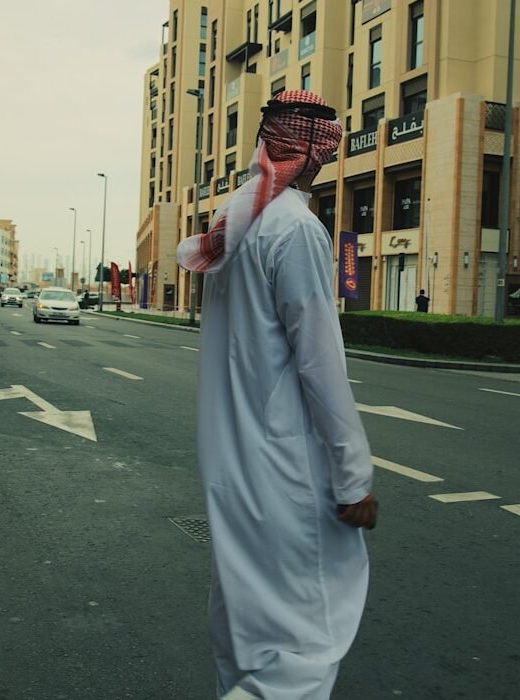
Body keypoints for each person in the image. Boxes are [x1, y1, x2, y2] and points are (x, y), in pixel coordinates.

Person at [177, 90, 378, 700]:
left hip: (232, 466)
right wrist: (353, 478)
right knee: (302, 646)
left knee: (245, 632)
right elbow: (320, 364)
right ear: (313, 152)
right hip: (286, 470)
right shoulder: (293, 227)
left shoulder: (235, 219)